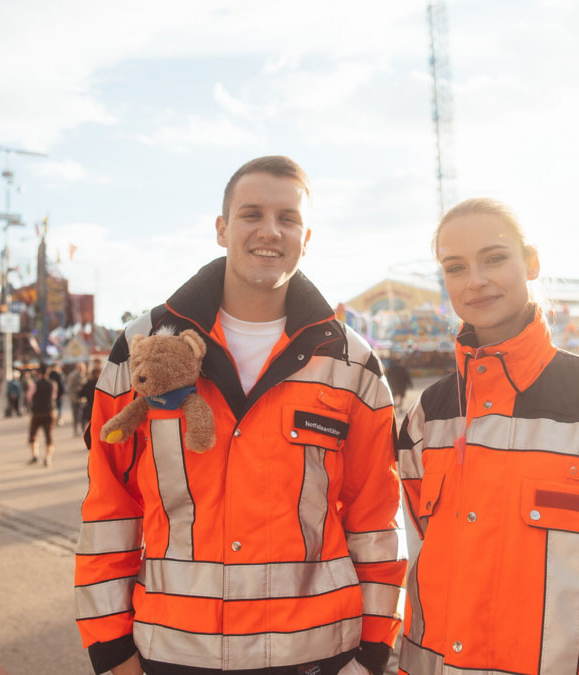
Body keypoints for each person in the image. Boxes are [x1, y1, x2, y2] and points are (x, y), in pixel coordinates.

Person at [75, 156, 404, 675]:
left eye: (287, 219)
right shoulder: (142, 346)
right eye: (252, 214)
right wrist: (110, 649)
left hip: (316, 653)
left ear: (306, 236)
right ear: (222, 229)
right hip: (175, 651)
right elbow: (110, 506)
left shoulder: (351, 361)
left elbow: (376, 517)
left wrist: (373, 653)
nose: (269, 231)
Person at [396, 198, 579, 675]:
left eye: (494, 258)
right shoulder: (427, 416)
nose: (476, 280)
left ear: (531, 262)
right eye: (456, 267)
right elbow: (411, 553)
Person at [28, 365, 57, 467]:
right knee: (49, 435)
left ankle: (35, 456)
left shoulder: (34, 384)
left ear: (39, 373)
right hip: (49, 412)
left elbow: (29, 397)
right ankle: (48, 458)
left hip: (37, 412)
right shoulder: (52, 384)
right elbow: (54, 396)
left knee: (33, 435)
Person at [65, 363, 87, 436]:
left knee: (83, 416)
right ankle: (75, 430)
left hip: (82, 399)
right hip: (75, 399)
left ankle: (83, 430)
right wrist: (78, 388)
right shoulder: (73, 376)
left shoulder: (83, 375)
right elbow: (70, 387)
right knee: (76, 416)